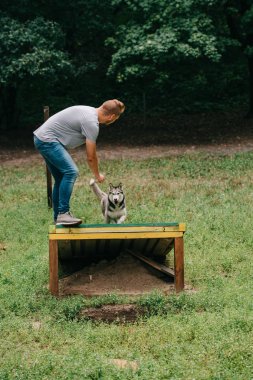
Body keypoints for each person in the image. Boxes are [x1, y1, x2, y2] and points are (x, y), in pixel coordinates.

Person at [33, 99, 125, 226]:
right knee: (71, 172)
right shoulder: (91, 123)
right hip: (48, 140)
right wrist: (97, 175)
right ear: (112, 116)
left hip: (42, 138)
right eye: (116, 119)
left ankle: (58, 219)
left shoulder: (89, 112)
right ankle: (63, 214)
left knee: (60, 178)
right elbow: (91, 156)